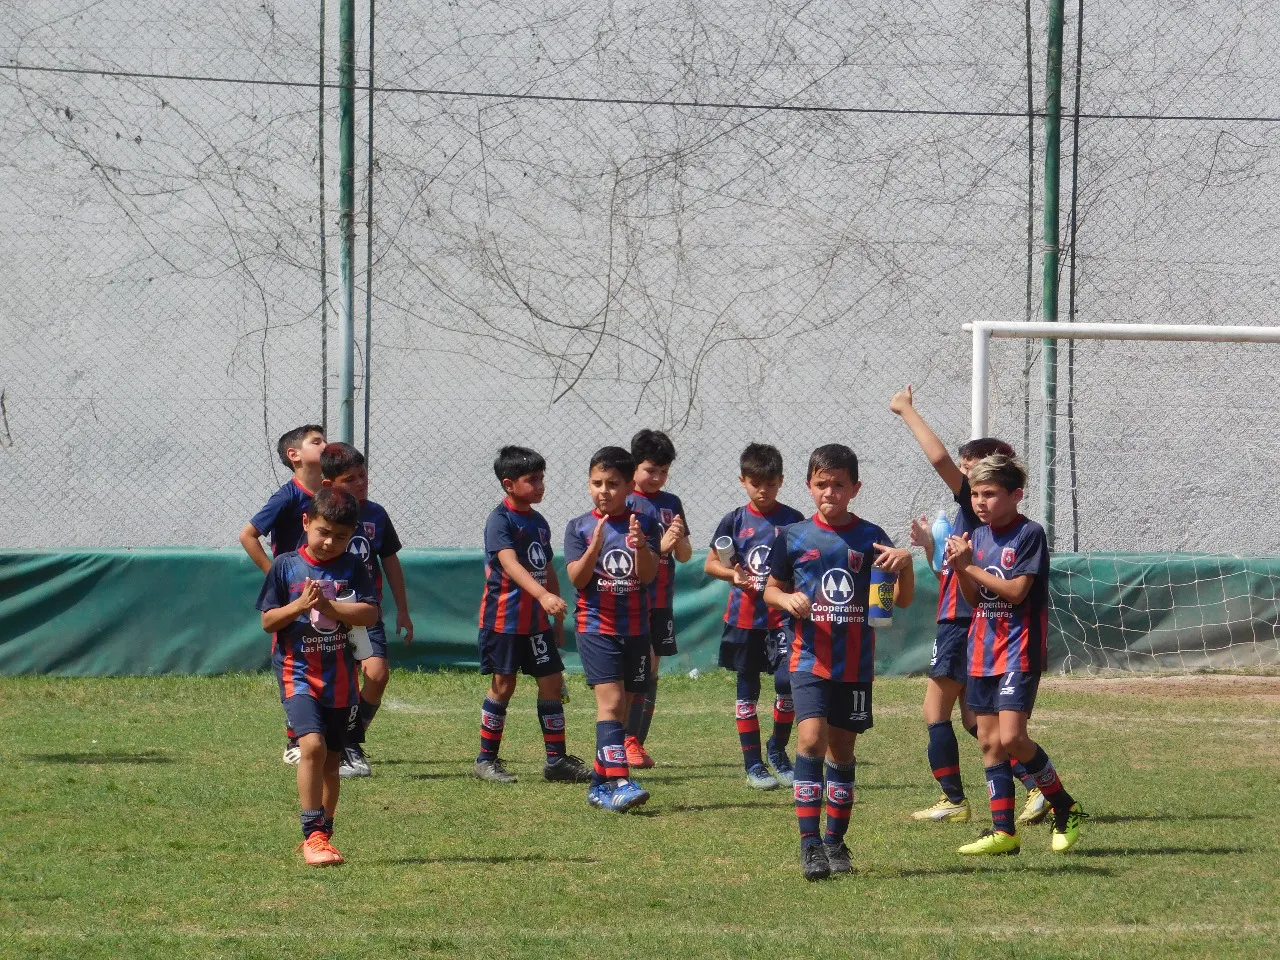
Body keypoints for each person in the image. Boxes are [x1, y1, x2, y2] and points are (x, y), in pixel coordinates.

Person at [889, 386, 1048, 825]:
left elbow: (937, 458)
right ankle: (1033, 786)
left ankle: (955, 799)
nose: (963, 475)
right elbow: (950, 572)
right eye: (964, 469)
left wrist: (906, 410)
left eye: (971, 468)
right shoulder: (975, 518)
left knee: (937, 711)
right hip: (962, 616)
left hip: (965, 621)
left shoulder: (981, 504)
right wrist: (928, 548)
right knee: (975, 723)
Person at [764, 444, 915, 881]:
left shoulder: (870, 537)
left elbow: (897, 602)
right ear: (809, 486)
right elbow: (771, 589)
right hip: (809, 657)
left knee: (842, 749)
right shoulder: (792, 537)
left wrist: (905, 565)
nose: (829, 492)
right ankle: (809, 845)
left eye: (838, 485)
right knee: (810, 739)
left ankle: (835, 841)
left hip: (854, 664)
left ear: (855, 488)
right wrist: (786, 596)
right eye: (821, 484)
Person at [945, 454, 1087, 855]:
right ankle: (1003, 832)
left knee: (1012, 737)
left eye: (989, 493)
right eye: (975, 494)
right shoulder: (978, 536)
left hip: (1018, 650)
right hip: (982, 650)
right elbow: (975, 599)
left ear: (1016, 495)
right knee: (989, 741)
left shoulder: (1029, 534)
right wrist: (960, 567)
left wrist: (969, 566)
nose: (980, 502)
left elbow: (1016, 592)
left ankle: (1064, 805)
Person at [255, 487, 379, 866]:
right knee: (311, 747)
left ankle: (325, 833)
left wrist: (331, 607)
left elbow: (370, 614)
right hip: (298, 673)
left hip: (341, 675)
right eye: (324, 532)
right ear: (307, 523)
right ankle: (312, 836)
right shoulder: (286, 566)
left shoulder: (354, 567)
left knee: (331, 761)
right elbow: (267, 621)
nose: (330, 542)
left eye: (341, 537)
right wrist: (300, 605)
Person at [473, 446, 592, 785]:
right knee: (503, 684)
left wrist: (554, 616)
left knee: (552, 682)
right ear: (509, 484)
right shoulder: (500, 519)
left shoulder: (538, 522)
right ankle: (486, 760)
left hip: (536, 623)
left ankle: (557, 761)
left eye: (542, 478)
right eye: (532, 480)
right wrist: (542, 596)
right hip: (504, 620)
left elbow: (545, 568)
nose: (540, 486)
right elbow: (509, 564)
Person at [564, 446, 662, 812]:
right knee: (612, 702)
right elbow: (577, 577)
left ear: (628, 487)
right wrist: (594, 548)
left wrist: (639, 548)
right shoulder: (579, 526)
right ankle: (619, 781)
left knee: (625, 707)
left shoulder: (644, 523)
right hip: (596, 626)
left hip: (636, 627)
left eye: (612, 484)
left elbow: (648, 575)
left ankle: (599, 783)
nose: (603, 491)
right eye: (596, 483)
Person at [704, 443, 805, 790]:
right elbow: (711, 564)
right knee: (747, 690)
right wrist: (732, 575)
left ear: (781, 481)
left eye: (770, 483)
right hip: (744, 619)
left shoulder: (793, 521)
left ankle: (777, 749)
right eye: (755, 482)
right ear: (742, 480)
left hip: (781, 619)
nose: (763, 490)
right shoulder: (734, 520)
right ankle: (753, 765)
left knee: (785, 684)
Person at [319, 442, 414, 778]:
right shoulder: (321, 515)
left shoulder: (376, 515)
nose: (361, 482)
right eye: (350, 479)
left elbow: (390, 561)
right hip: (329, 612)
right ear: (329, 484)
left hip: (365, 611)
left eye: (363, 475)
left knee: (376, 673)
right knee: (335, 681)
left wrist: (403, 609)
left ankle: (351, 740)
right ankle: (327, 743)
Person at [239, 423, 327, 765]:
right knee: (293, 659)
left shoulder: (330, 494)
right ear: (294, 455)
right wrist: (278, 577)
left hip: (327, 590)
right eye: (316, 441)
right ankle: (294, 738)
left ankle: (335, 734)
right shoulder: (287, 496)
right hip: (296, 599)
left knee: (330, 655)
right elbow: (248, 535)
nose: (325, 445)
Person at [624, 429, 692, 768]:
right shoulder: (624, 500)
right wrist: (658, 547)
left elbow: (684, 555)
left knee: (650, 669)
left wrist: (677, 541)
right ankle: (620, 739)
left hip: (661, 601)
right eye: (651, 470)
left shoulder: (671, 503)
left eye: (663, 471)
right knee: (630, 671)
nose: (657, 477)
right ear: (635, 466)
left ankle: (634, 741)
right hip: (629, 598)